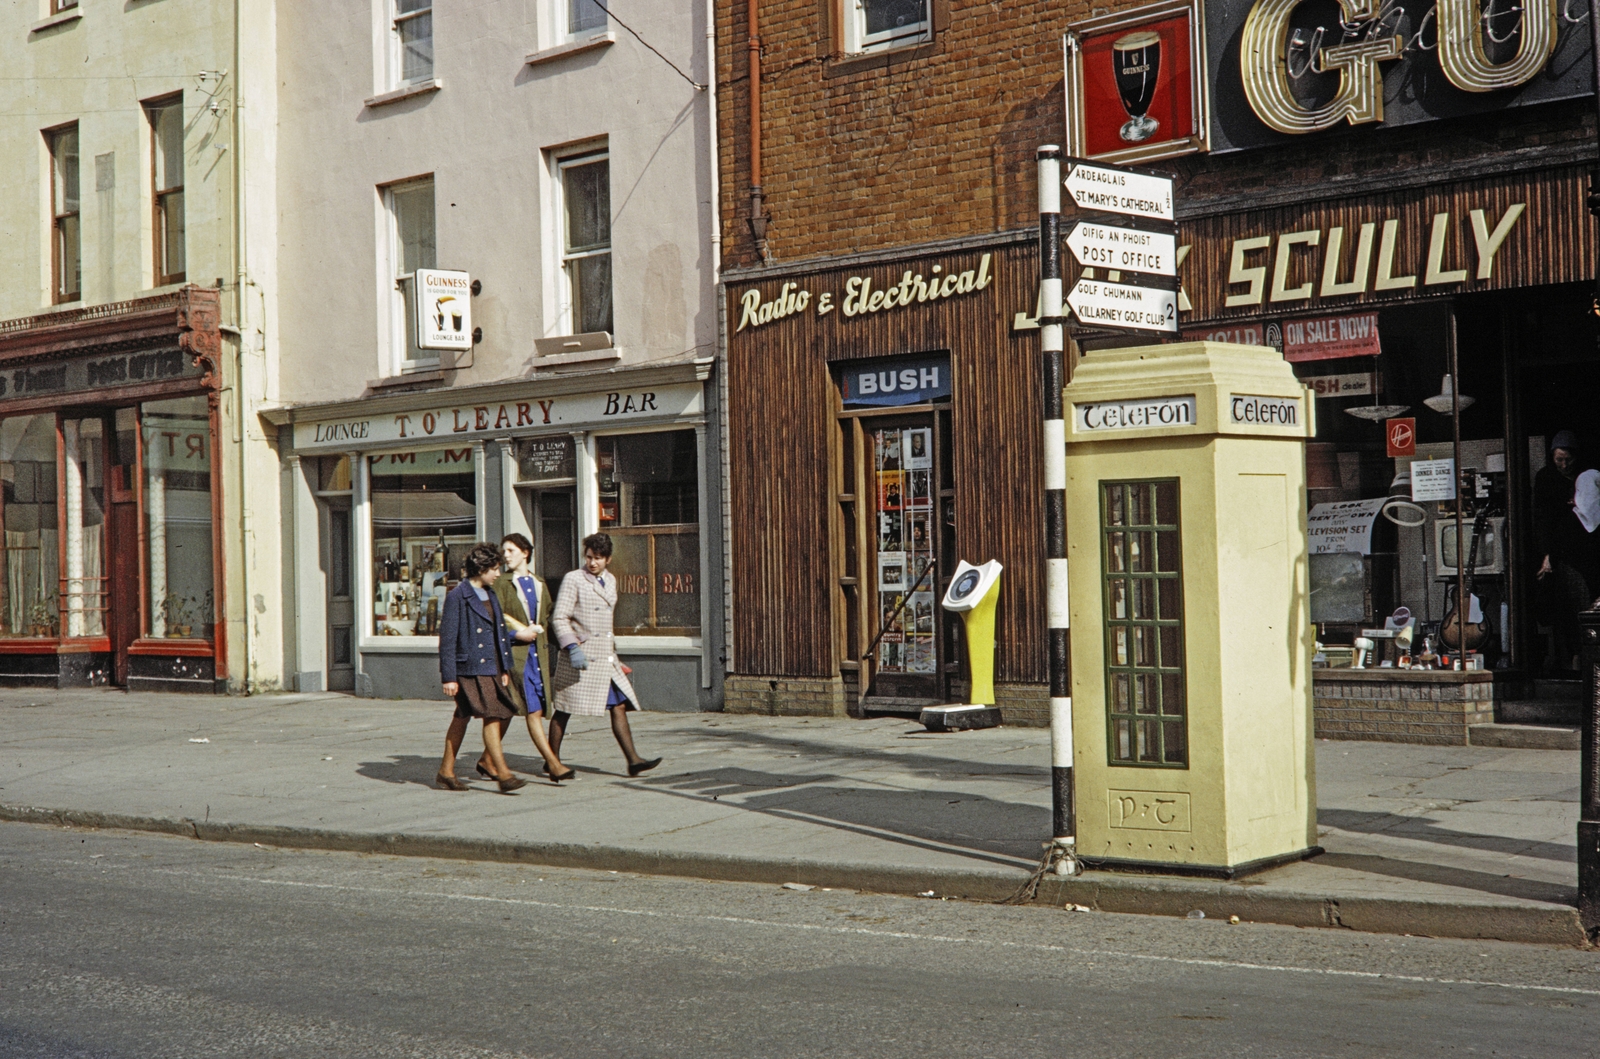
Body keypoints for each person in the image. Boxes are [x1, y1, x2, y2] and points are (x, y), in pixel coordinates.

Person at [548, 532, 662, 777]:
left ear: (608, 559)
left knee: (618, 705)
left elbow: (606, 623)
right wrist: (572, 647)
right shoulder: (574, 579)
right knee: (564, 709)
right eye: (589, 557)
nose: (592, 563)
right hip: (579, 657)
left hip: (605, 658)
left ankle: (633, 760)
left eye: (598, 558)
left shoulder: (610, 581)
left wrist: (615, 658)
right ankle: (551, 759)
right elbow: (559, 617)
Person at [482, 533, 574, 783]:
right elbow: (493, 621)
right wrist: (516, 634)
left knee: (511, 709)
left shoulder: (539, 583)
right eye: (505, 551)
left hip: (538, 659)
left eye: (511, 550)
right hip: (515, 658)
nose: (506, 556)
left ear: (525, 553)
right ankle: (554, 764)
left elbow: (549, 618)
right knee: (532, 711)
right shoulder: (501, 584)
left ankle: (486, 759)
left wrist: (572, 639)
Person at [435, 542, 526, 793]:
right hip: (470, 668)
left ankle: (446, 771)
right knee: (493, 714)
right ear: (481, 568)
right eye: (495, 568)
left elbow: (499, 634)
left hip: (491, 666)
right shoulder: (458, 596)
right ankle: (503, 773)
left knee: (465, 715)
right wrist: (449, 677)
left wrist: (505, 668)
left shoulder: (491, 593)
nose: (498, 573)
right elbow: (448, 638)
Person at [1533, 431, 1594, 672]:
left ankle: (1585, 654)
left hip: (1586, 547)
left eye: (1568, 459)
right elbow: (1541, 518)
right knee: (1565, 604)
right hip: (1560, 550)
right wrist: (1546, 553)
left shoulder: (1587, 476)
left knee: (1586, 600)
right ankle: (1570, 656)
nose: (1564, 464)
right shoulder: (1546, 478)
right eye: (1559, 459)